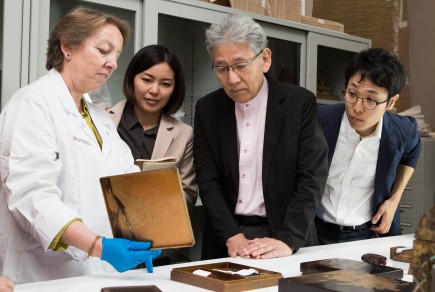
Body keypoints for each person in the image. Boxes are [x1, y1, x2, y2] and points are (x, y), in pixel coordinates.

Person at [0, 6, 161, 284]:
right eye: (103, 50)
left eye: (116, 55)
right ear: (67, 47)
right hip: (45, 270)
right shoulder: (33, 103)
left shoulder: (100, 118)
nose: (112, 63)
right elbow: (33, 196)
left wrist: (154, 228)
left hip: (97, 271)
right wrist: (100, 247)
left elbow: (125, 179)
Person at [193, 13, 328, 260]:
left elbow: (311, 176)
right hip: (227, 236)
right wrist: (231, 236)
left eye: (241, 66)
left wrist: (287, 240)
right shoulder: (207, 109)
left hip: (286, 234)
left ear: (264, 59)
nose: (232, 79)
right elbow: (208, 180)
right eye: (222, 68)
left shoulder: (299, 103)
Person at [315, 47, 422, 244]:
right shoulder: (318, 121)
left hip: (368, 236)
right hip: (314, 232)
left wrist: (394, 199)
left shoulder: (402, 131)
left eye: (371, 99)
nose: (357, 107)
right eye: (352, 93)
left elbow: (413, 152)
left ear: (391, 102)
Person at [108, 44, 197, 266]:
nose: (155, 90)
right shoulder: (103, 121)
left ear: (174, 89)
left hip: (158, 246)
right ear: (132, 79)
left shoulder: (183, 134)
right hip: (104, 240)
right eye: (147, 80)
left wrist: (159, 195)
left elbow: (188, 194)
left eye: (165, 84)